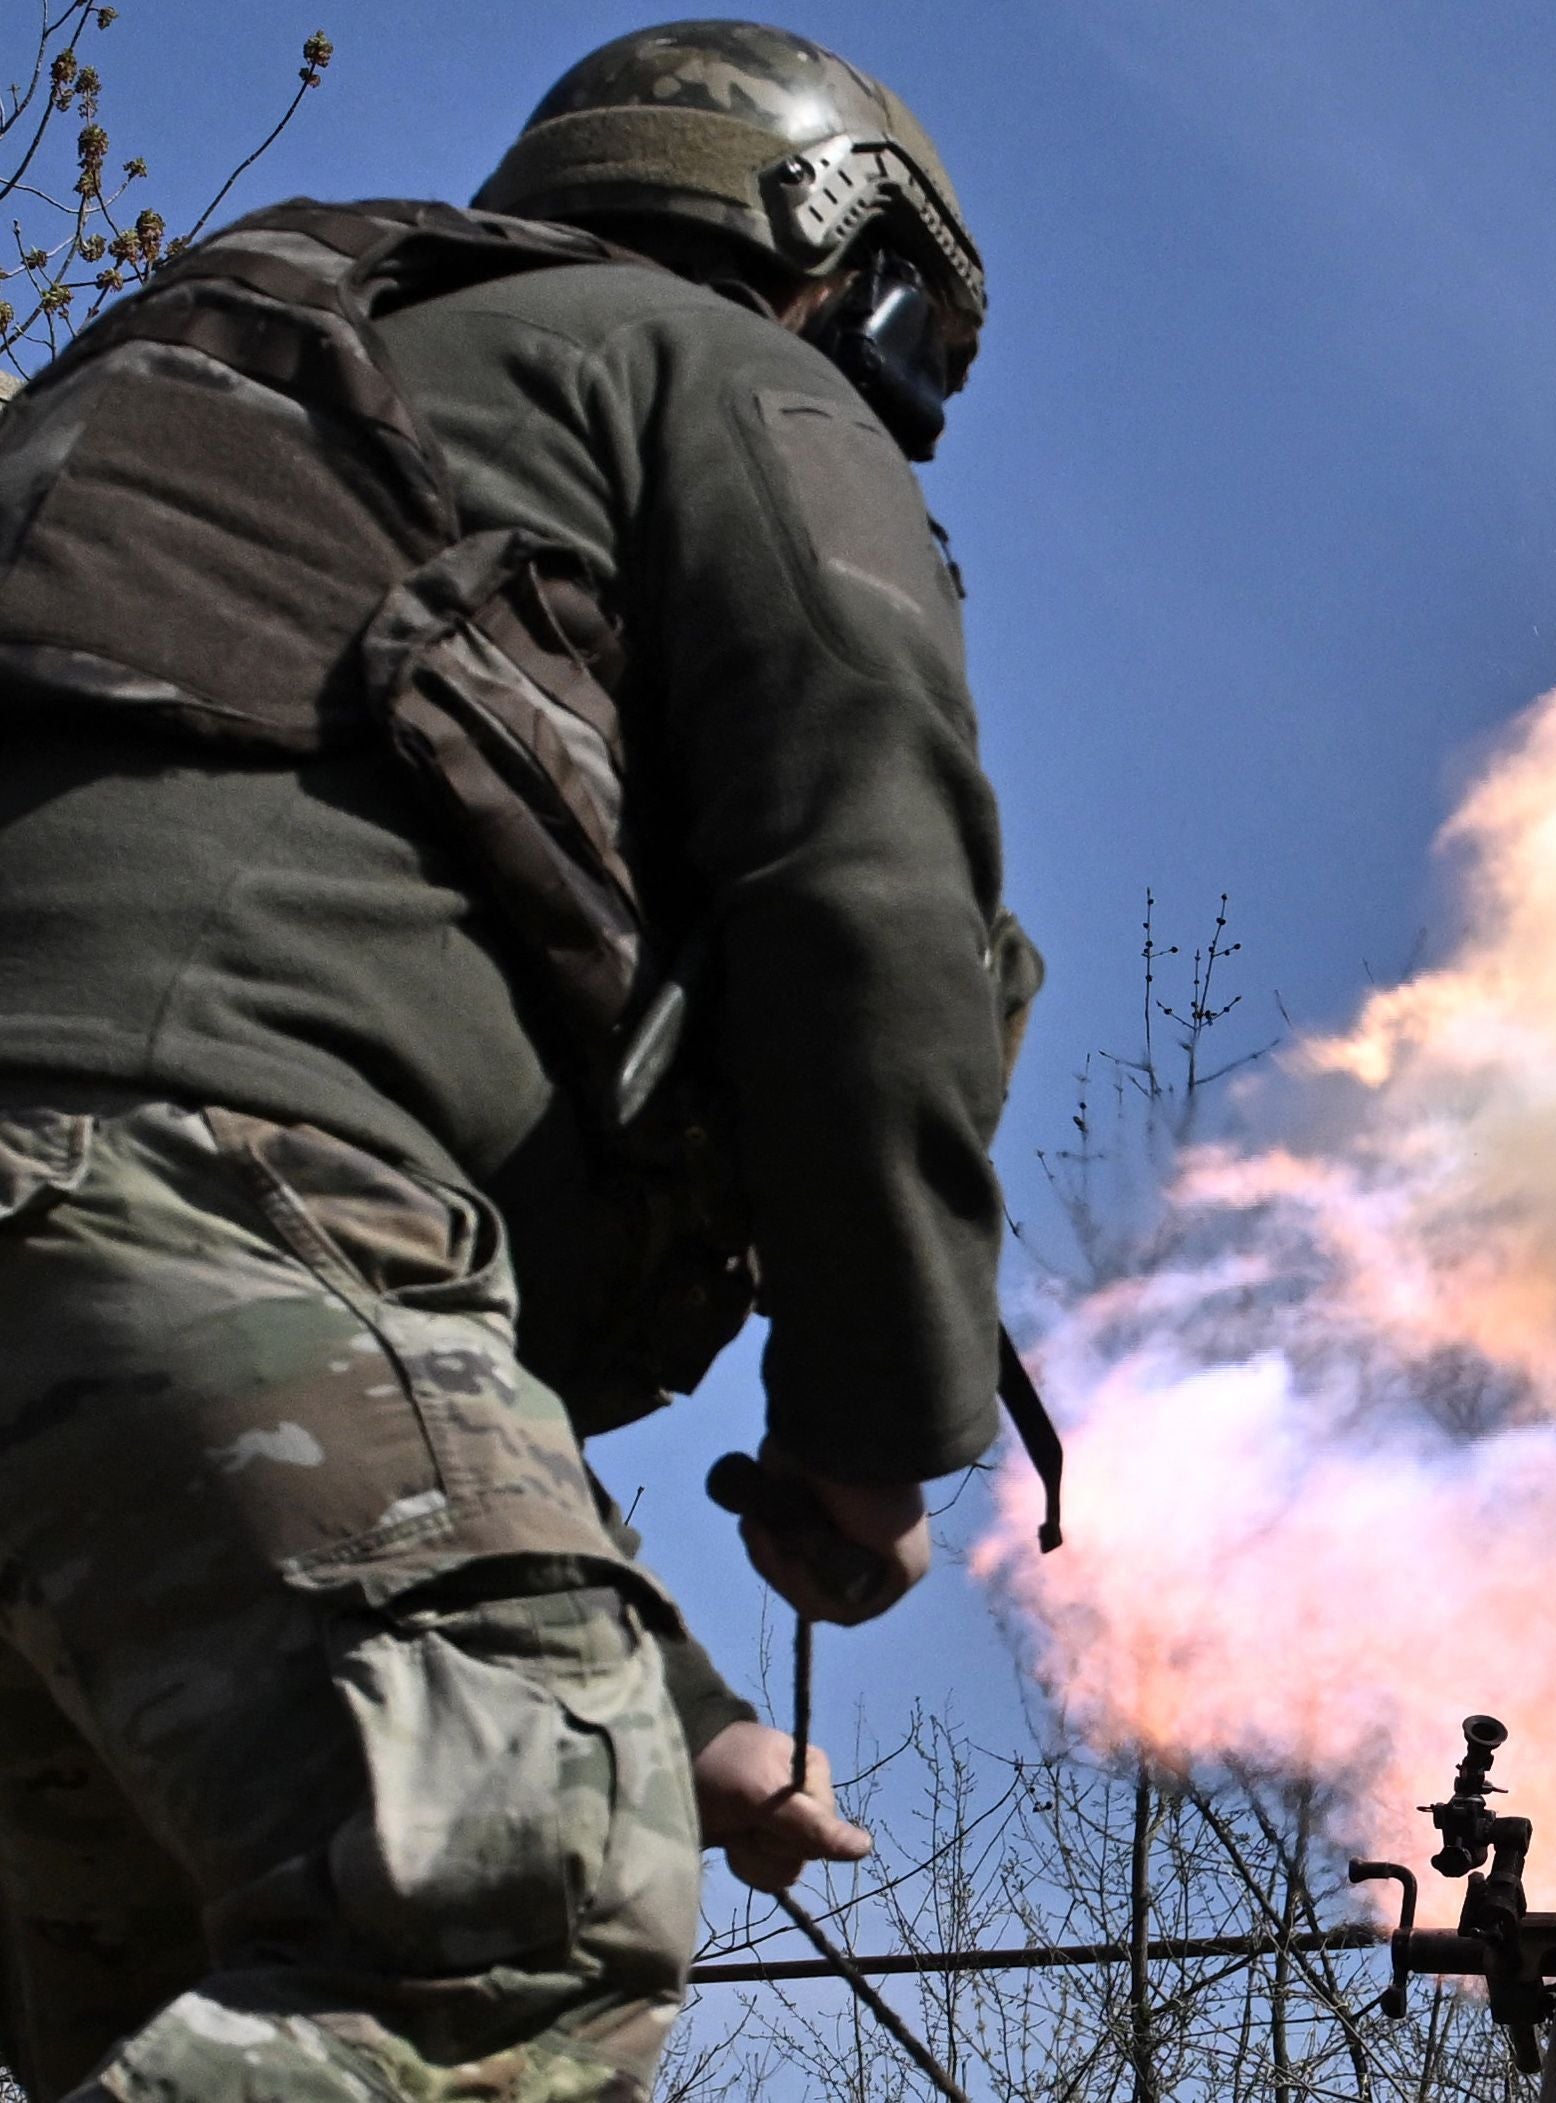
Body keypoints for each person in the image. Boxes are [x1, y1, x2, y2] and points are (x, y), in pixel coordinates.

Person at [0, 18, 1042, 2097]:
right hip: (188, 1184)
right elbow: (875, 892)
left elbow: (320, 1434)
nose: (903, 414)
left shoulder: (190, 381)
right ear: (830, 247)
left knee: (200, 1985)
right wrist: (873, 1413)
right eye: (914, 349)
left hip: (107, 1307)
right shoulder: (714, 367)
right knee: (522, 1899)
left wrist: (679, 1707)